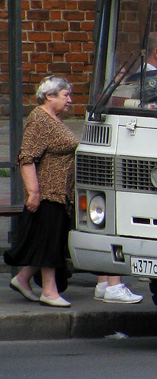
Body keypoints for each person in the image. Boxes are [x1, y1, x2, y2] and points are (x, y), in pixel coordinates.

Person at [5, 76, 141, 307]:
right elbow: (26, 158)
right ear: (49, 96)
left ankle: (23, 278)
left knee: (49, 239)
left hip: (60, 194)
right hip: (49, 192)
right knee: (50, 241)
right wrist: (34, 192)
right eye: (65, 95)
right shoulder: (39, 120)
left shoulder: (52, 119)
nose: (70, 100)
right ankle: (49, 291)